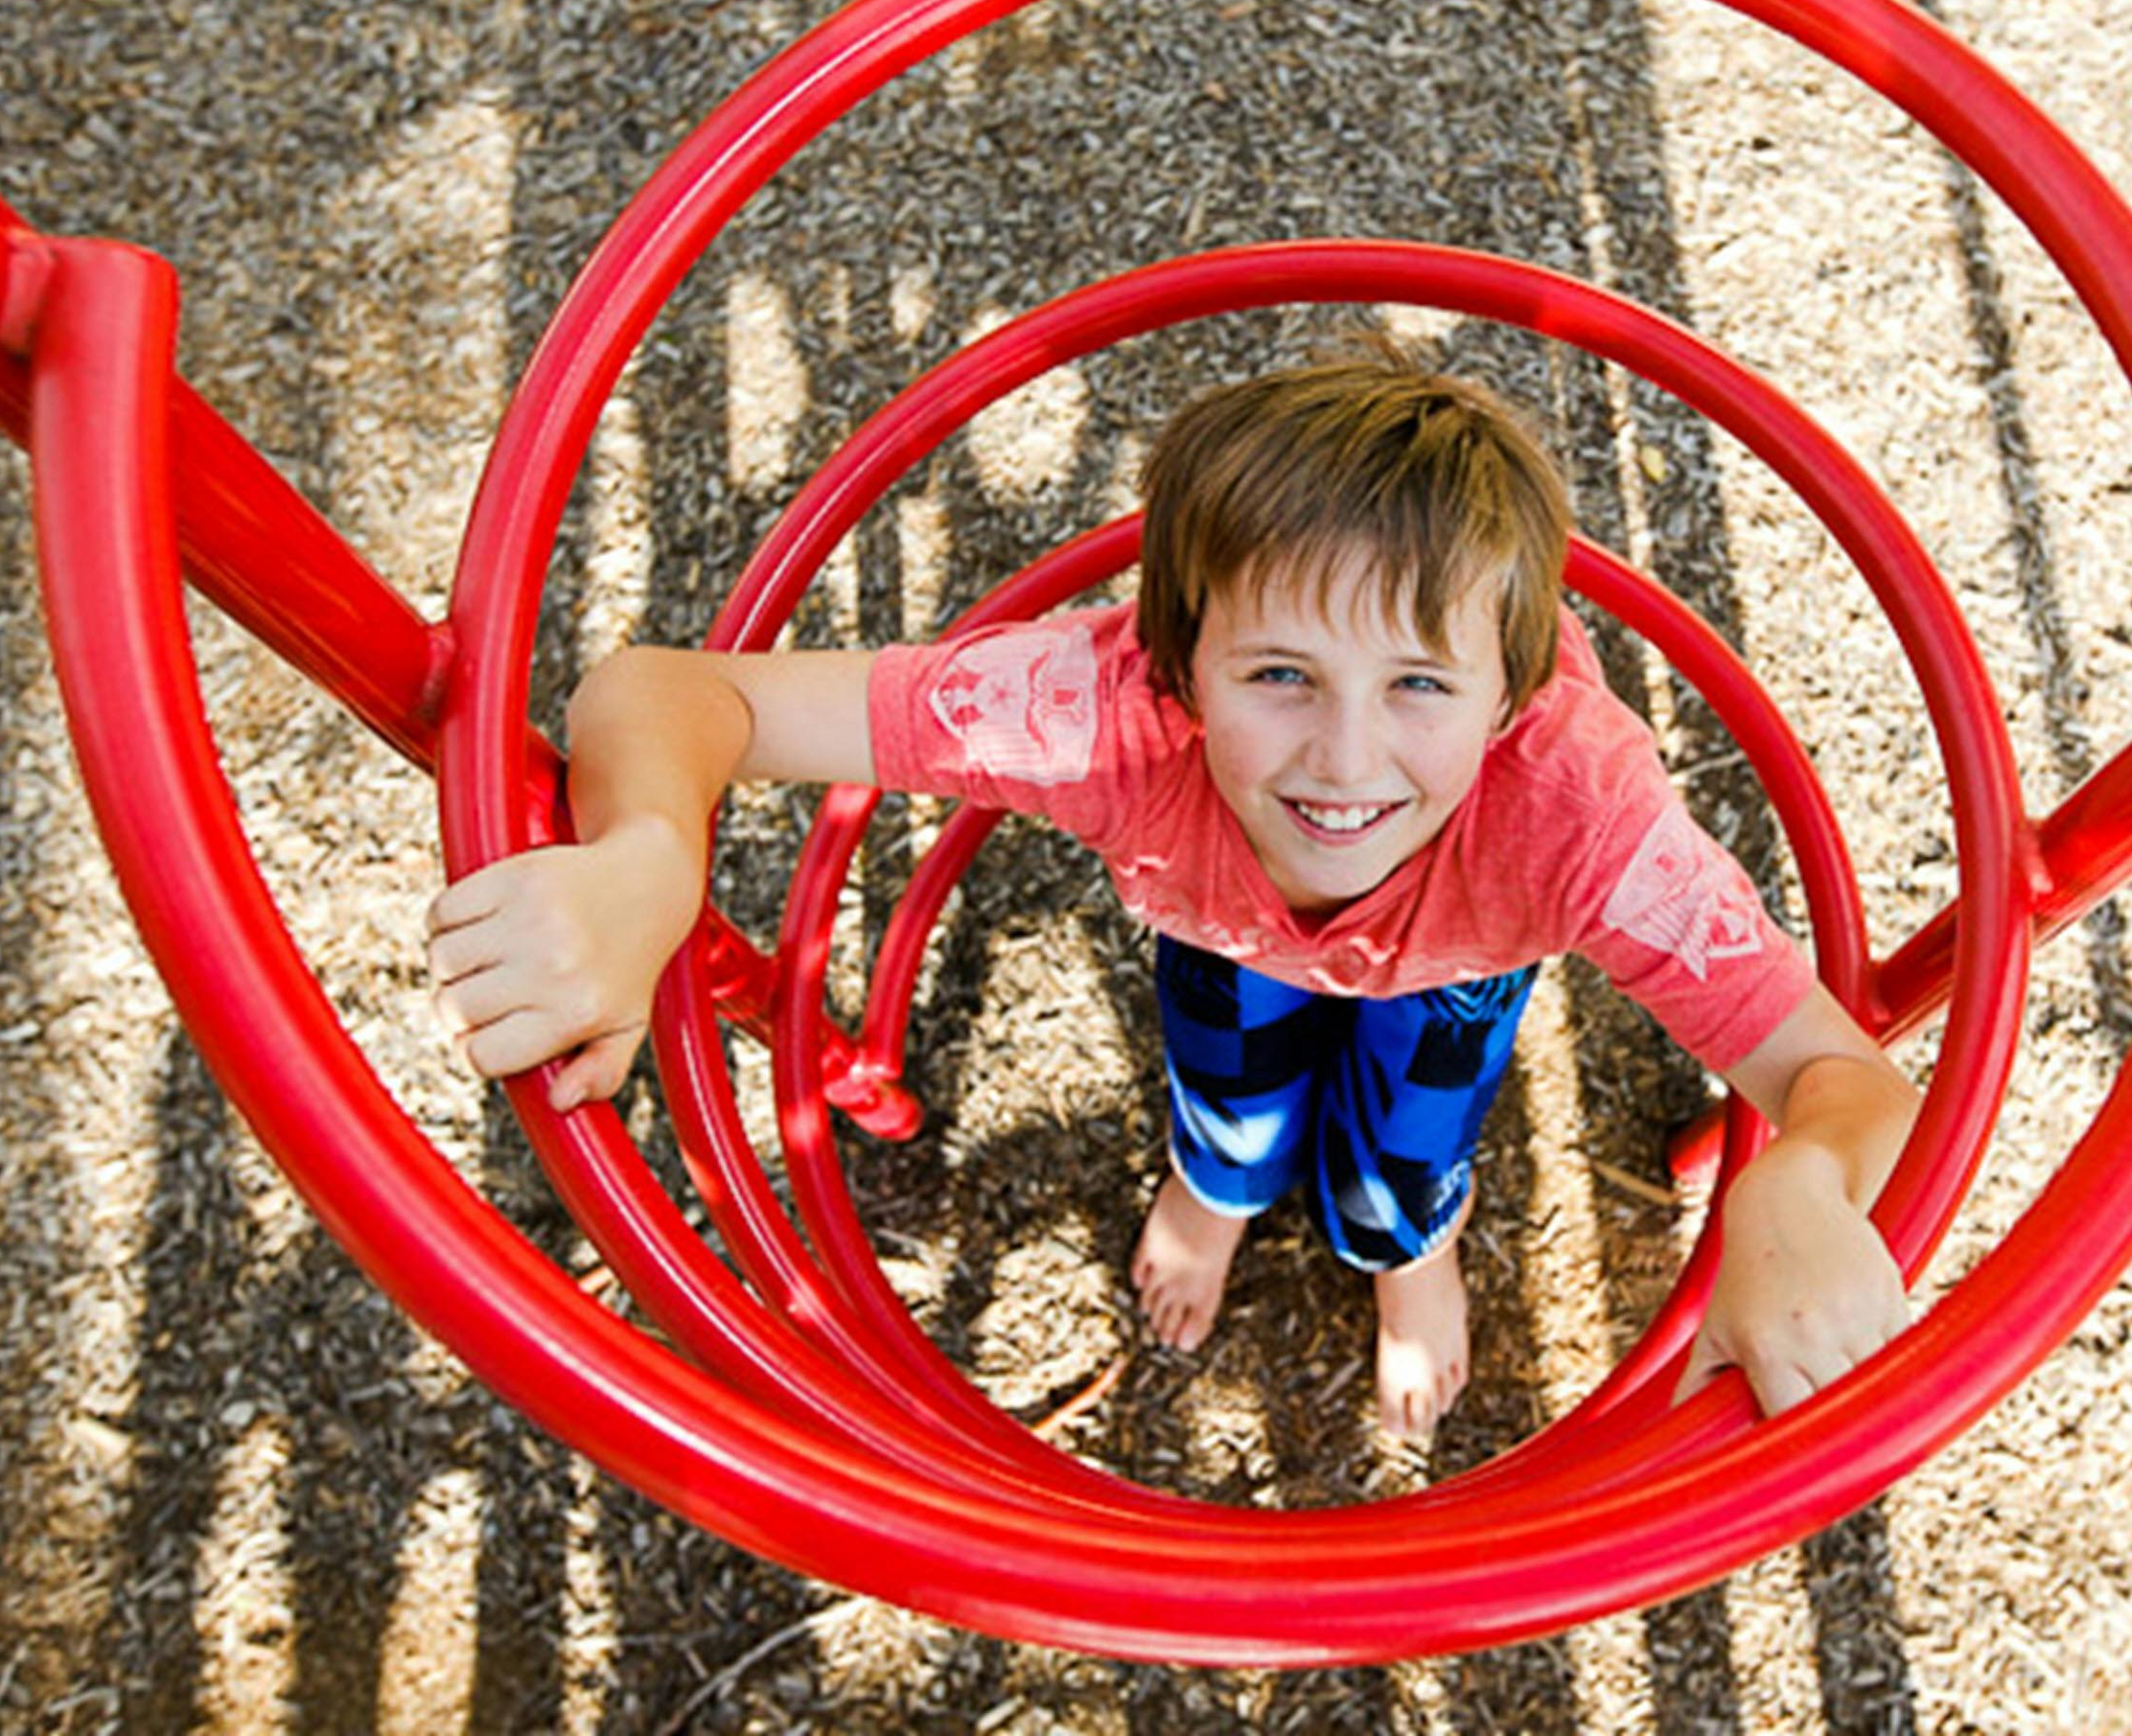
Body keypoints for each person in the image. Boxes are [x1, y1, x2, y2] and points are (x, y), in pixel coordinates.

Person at [426, 351, 1919, 1442]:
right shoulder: (1098, 712)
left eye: (1419, 685)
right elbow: (676, 697)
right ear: (1175, 664)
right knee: (1228, 1098)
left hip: (1462, 953)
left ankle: (1412, 1248)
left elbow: (1840, 1076)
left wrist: (1794, 1178)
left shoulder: (1578, 814)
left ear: (1515, 694)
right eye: (1279, 674)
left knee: (1412, 1140)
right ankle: (1214, 1192)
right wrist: (646, 866)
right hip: (1219, 926)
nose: (1346, 758)